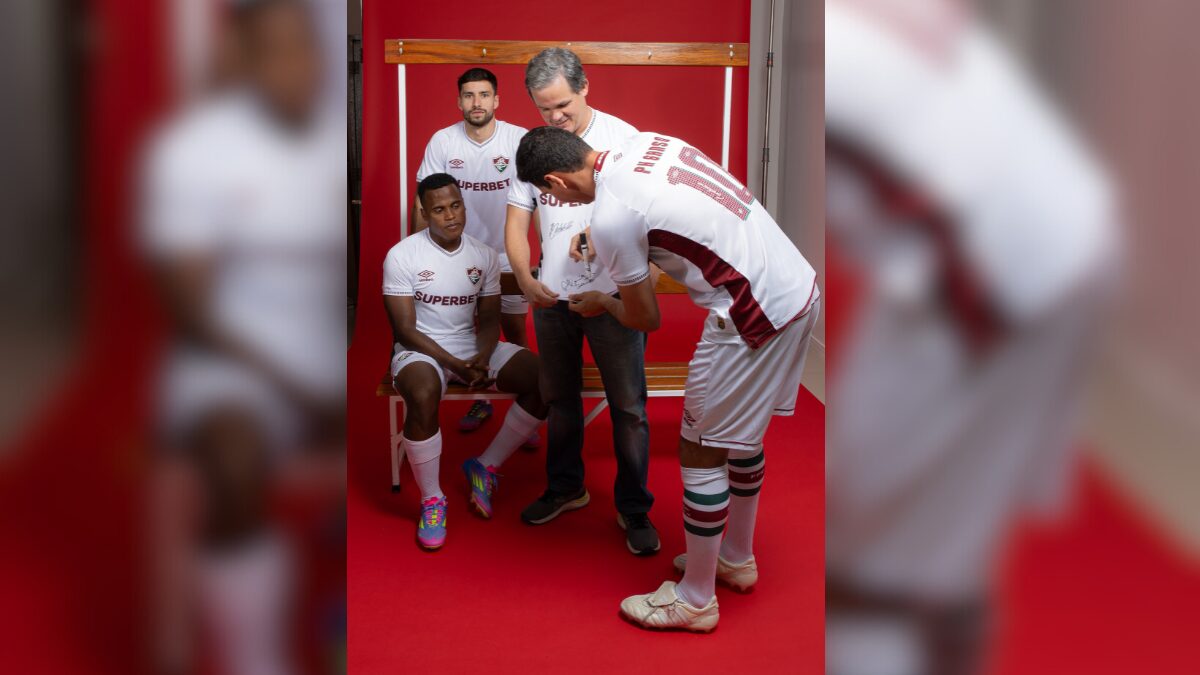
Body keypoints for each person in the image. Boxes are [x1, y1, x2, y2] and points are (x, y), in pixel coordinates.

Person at [515, 126, 820, 632]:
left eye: (547, 194)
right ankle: (736, 558)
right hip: (795, 287)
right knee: (738, 438)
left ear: (554, 181)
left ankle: (695, 600)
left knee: (700, 449)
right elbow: (669, 209)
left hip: (749, 313)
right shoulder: (646, 143)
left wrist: (603, 301)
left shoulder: (612, 217)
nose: (551, 201)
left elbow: (645, 318)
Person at [141, 1, 345, 672]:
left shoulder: (331, 146)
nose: (297, 66)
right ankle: (256, 658)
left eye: (305, 49)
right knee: (233, 458)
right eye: (276, 52)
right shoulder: (192, 152)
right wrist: (302, 386)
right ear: (244, 64)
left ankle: (334, 606)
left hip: (322, 357)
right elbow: (192, 311)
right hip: (231, 363)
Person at [504, 48, 659, 555]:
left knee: (629, 407)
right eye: (544, 109)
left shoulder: (624, 141)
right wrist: (525, 278)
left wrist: (630, 274)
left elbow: (652, 224)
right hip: (552, 298)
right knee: (560, 401)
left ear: (585, 85)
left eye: (563, 106)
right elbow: (516, 221)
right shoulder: (537, 146)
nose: (555, 118)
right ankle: (566, 487)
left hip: (614, 294)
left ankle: (634, 507)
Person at [383, 173, 549, 550]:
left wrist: (483, 357)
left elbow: (490, 320)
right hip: (420, 350)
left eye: (455, 205)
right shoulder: (402, 255)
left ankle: (485, 465)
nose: (450, 215)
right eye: (439, 209)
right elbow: (404, 330)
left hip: (470, 347)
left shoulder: (483, 254)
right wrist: (455, 365)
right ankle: (432, 500)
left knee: (544, 377)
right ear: (424, 214)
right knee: (423, 392)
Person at [413, 67, 536, 438]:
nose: (476, 102)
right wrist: (421, 254)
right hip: (459, 254)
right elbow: (424, 200)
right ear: (459, 101)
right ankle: (481, 399)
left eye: (484, 95)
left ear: (496, 100)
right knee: (470, 328)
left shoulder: (519, 140)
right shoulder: (443, 141)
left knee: (514, 329)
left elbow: (540, 199)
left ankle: (524, 405)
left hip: (507, 253)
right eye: (469, 95)